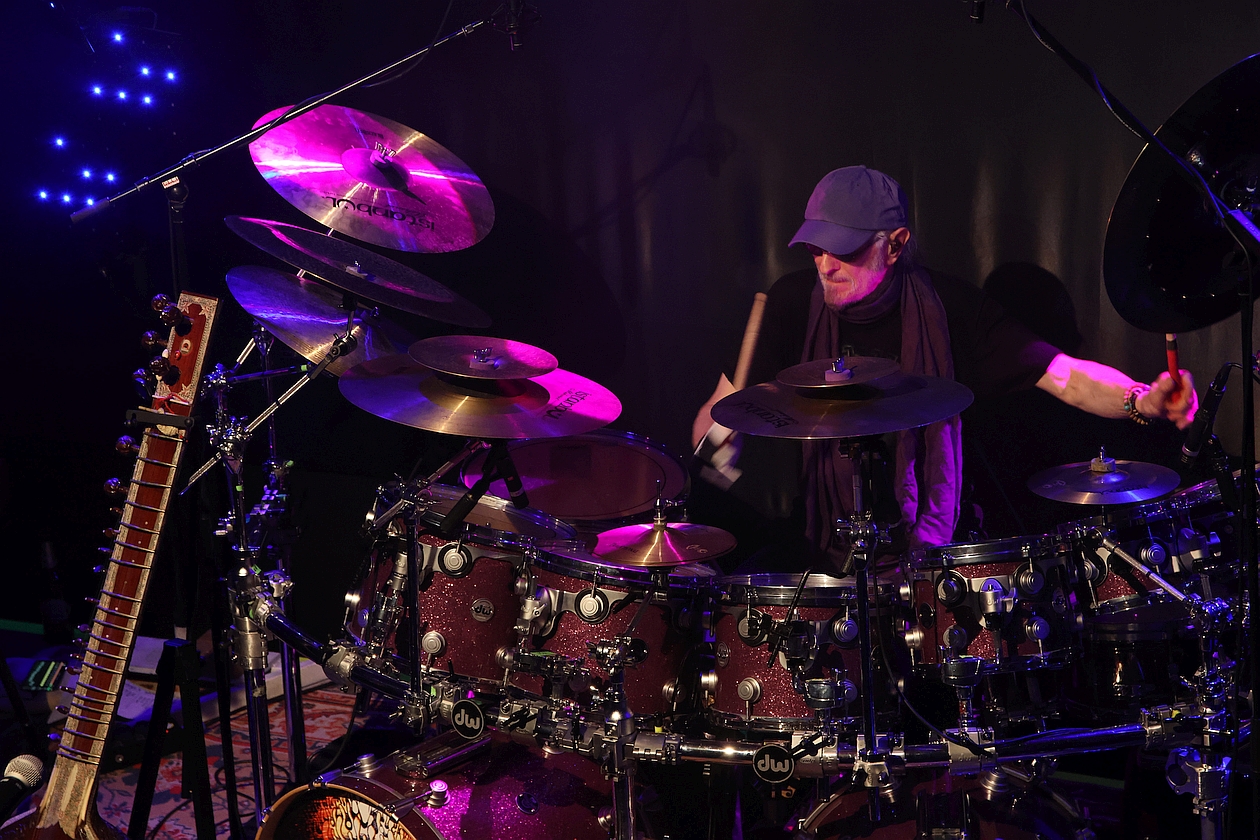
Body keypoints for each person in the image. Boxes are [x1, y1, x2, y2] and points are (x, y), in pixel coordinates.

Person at [691, 165, 1196, 569]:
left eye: (843, 249)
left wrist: (1140, 398)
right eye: (816, 247)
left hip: (933, 558)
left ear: (895, 244)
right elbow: (723, 408)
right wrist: (716, 439)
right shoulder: (790, 303)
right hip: (819, 549)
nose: (825, 265)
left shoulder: (953, 310)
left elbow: (1066, 376)